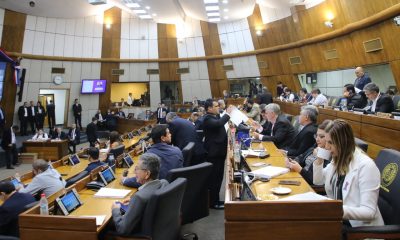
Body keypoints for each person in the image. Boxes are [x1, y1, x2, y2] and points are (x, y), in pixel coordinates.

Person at [313, 119, 384, 227]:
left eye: (331, 142)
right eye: (326, 141)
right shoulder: (338, 158)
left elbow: (369, 212)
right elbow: (318, 181)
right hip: (338, 220)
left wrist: (334, 210)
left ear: (343, 142)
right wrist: (319, 159)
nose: (326, 147)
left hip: (359, 230)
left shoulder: (366, 166)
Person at [112, 153, 169, 235]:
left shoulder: (139, 197)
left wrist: (115, 209)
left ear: (147, 174)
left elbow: (122, 230)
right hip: (161, 231)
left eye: (137, 168)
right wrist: (133, 202)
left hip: (140, 234)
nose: (135, 172)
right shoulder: (164, 183)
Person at [203, 99, 232, 209]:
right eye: (216, 106)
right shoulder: (207, 119)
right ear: (209, 108)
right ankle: (213, 203)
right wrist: (228, 113)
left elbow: (221, 121)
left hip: (219, 152)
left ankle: (216, 199)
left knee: (219, 178)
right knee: (214, 178)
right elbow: (219, 123)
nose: (218, 107)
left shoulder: (215, 116)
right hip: (214, 153)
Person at [285, 119, 333, 184]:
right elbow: (301, 156)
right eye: (317, 136)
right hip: (299, 177)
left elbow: (315, 180)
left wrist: (300, 170)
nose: (317, 139)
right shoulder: (316, 146)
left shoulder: (328, 154)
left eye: (321, 136)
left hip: (308, 184)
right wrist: (292, 162)